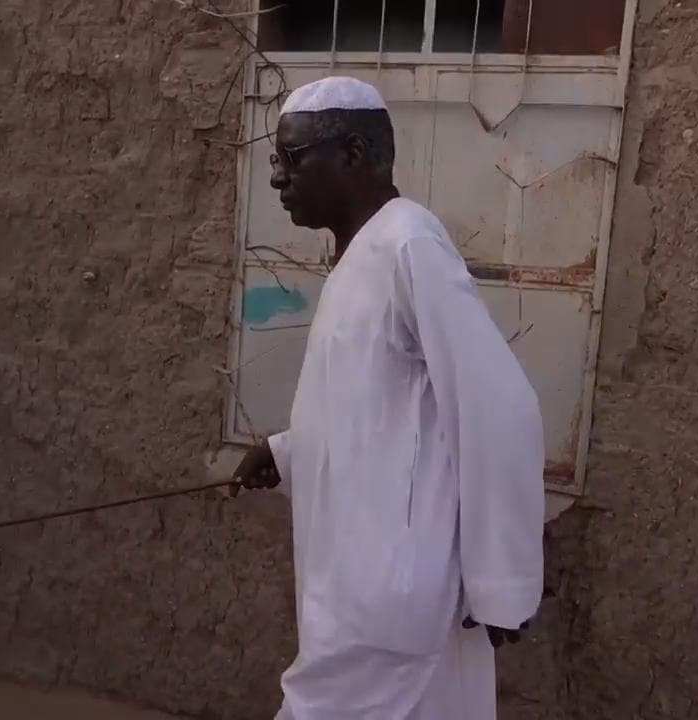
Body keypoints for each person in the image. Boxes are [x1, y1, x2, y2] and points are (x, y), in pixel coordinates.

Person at [232, 77, 546, 719]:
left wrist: (502, 580)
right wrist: (287, 453)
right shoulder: (362, 254)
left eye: (291, 158)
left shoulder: (409, 245)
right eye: (275, 160)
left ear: (351, 154)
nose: (277, 178)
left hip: (393, 588)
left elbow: (497, 409)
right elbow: (371, 404)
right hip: (356, 581)